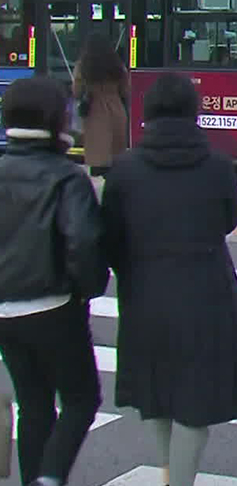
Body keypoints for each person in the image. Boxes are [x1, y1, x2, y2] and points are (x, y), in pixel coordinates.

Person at [100, 74, 237, 486]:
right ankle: (180, 480)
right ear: (195, 111)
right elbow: (228, 218)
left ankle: (166, 473)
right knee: (196, 400)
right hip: (204, 292)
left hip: (143, 293)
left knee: (153, 394)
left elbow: (109, 237)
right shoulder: (216, 164)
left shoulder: (124, 169)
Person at [0, 77, 107, 486]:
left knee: (34, 403)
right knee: (81, 399)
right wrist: (89, 288)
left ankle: (34, 479)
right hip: (53, 306)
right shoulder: (65, 176)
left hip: (5, 312)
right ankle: (49, 477)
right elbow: (83, 241)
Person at [73, 33, 128, 176]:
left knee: (98, 150)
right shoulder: (117, 64)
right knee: (116, 150)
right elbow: (126, 90)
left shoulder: (84, 65)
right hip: (116, 108)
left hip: (94, 109)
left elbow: (77, 91)